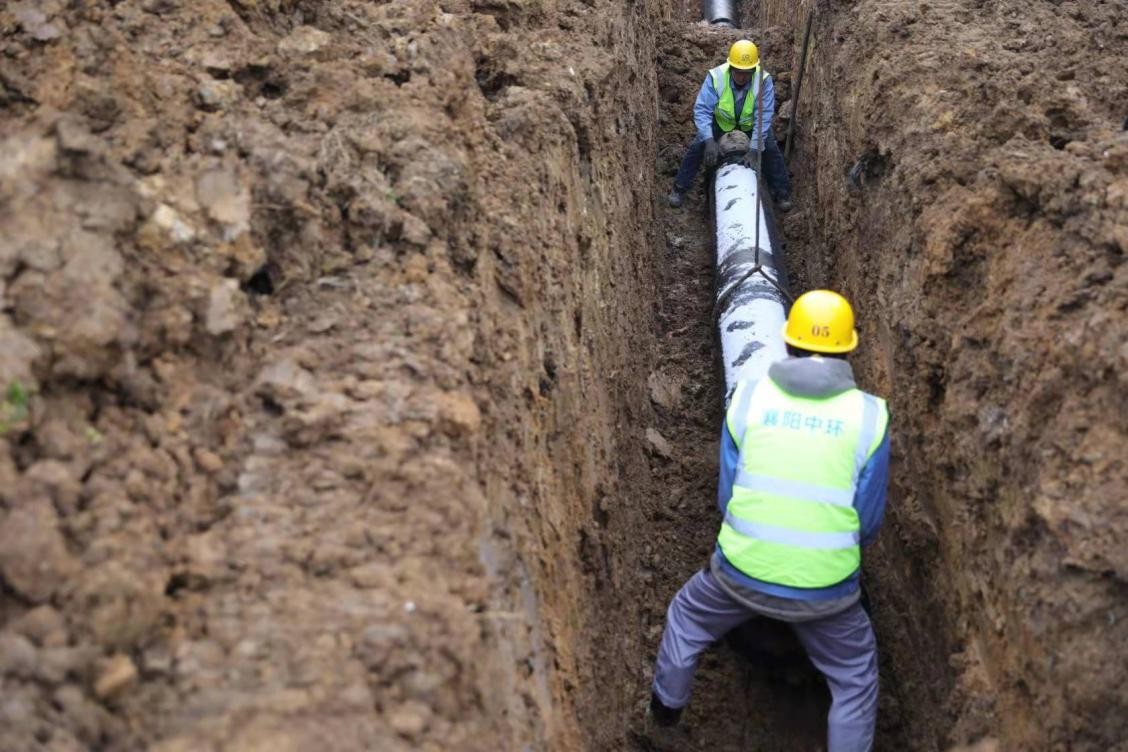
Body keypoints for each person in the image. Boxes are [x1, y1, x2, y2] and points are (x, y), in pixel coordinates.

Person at [646, 290, 890, 752]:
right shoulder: (870, 417)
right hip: (828, 592)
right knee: (855, 679)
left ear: (788, 342)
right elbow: (868, 520)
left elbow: (728, 496)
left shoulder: (748, 398)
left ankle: (663, 715)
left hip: (739, 574)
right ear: (849, 349)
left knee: (686, 616)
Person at [668, 39, 793, 211]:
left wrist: (755, 148)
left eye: (747, 72)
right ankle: (679, 188)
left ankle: (782, 192)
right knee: (697, 147)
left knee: (770, 149)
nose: (742, 77)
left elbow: (763, 116)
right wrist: (709, 140)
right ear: (731, 67)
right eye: (738, 72)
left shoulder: (763, 81)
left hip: (750, 125)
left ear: (753, 69)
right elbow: (702, 110)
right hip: (721, 123)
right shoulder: (717, 77)